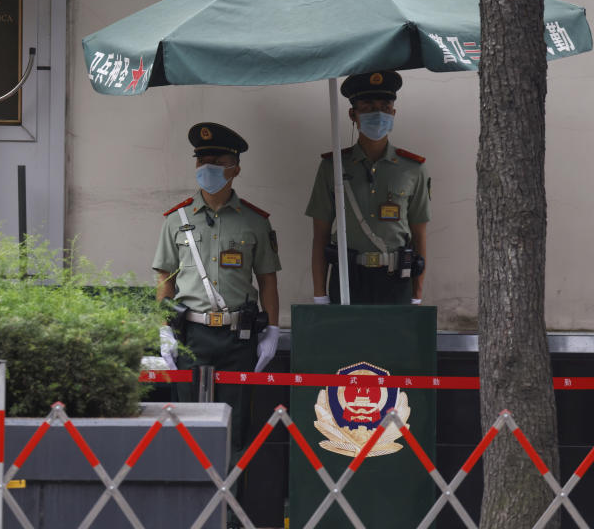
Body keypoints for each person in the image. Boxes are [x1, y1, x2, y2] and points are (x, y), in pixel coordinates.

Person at [152, 122, 281, 457]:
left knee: (235, 427)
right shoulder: (175, 220)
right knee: (186, 424)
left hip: (238, 338)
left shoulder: (255, 222)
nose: (207, 167)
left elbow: (267, 278)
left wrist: (274, 329)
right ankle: (191, 504)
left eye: (217, 160)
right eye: (202, 160)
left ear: (235, 168)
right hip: (191, 335)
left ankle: (230, 504)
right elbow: (164, 277)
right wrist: (163, 329)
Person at [305, 70, 430, 305]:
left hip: (396, 280)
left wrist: (417, 295)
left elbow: (420, 236)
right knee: (348, 342)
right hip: (348, 279)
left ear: (393, 113)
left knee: (393, 342)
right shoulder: (332, 167)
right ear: (353, 114)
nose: (378, 113)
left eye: (385, 106)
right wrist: (319, 294)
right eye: (368, 106)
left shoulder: (413, 169)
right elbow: (319, 236)